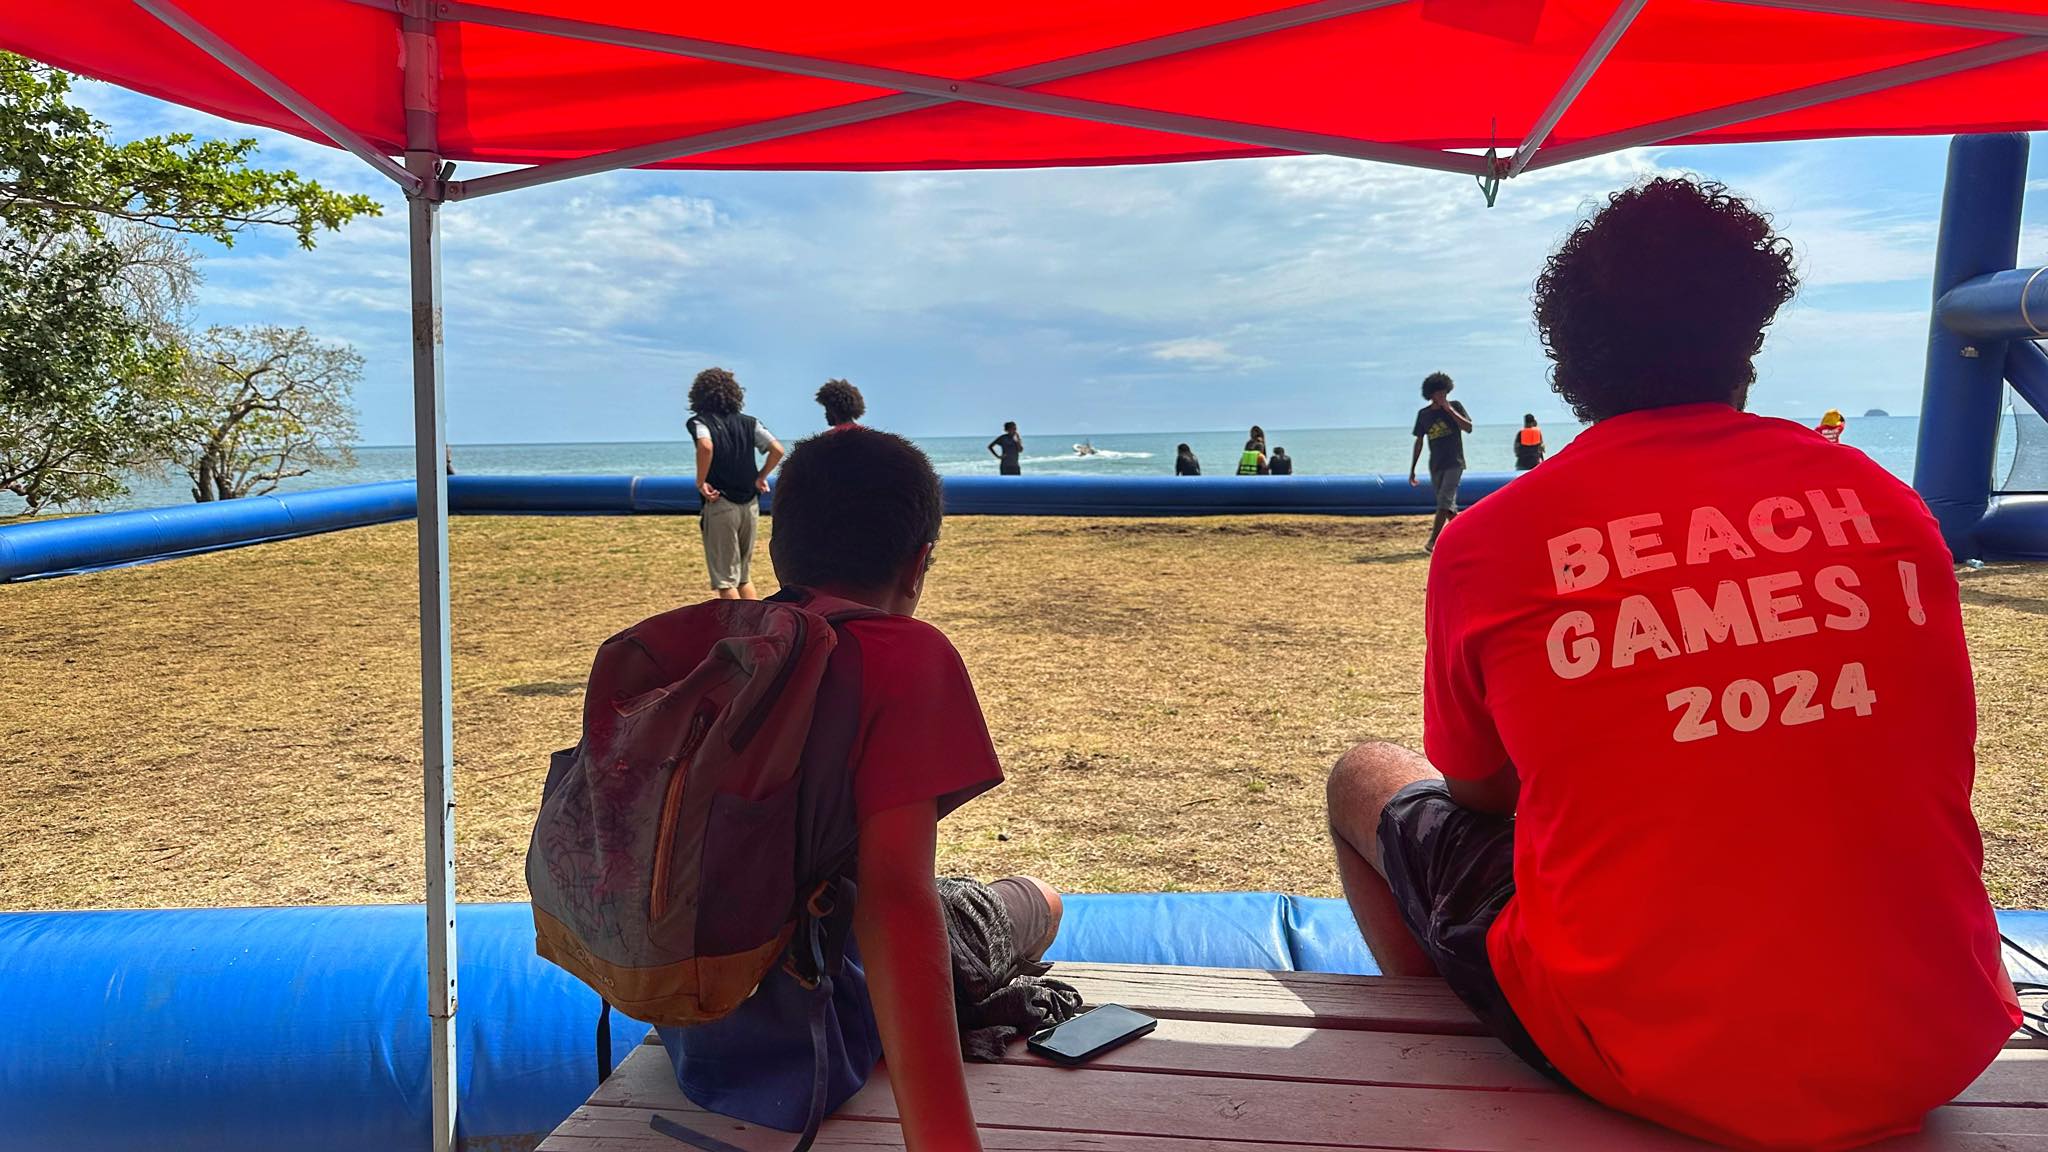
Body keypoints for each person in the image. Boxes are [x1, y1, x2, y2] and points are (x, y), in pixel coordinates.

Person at [1325, 177, 2019, 1151]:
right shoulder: (1887, 505)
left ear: (1568, 363)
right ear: (1746, 340)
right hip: (1934, 1038)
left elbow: (1480, 795)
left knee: (1363, 777)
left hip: (1654, 1061)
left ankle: (1436, 1046)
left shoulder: (1490, 542)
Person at [659, 427, 1067, 1151]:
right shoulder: (901, 655)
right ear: (919, 564)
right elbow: (896, 904)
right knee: (1039, 899)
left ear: (780, 550)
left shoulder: (718, 649)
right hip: (824, 1043)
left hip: (697, 1032)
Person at [687, 367, 783, 601]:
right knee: (744, 577)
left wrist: (701, 482)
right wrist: (761, 476)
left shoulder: (700, 422)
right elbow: (777, 449)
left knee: (725, 580)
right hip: (750, 503)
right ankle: (758, 628)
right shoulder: (750, 423)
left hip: (720, 502)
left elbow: (706, 446)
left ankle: (738, 630)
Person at [1408, 372, 1471, 552]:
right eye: (1438, 393)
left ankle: (1432, 542)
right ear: (1431, 394)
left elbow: (1468, 428)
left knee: (1444, 500)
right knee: (1449, 507)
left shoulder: (1455, 406)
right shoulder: (1424, 415)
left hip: (1455, 462)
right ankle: (1466, 537)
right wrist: (1412, 469)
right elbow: (1419, 441)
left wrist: (1449, 410)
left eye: (1445, 392)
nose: (1442, 396)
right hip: (1436, 465)